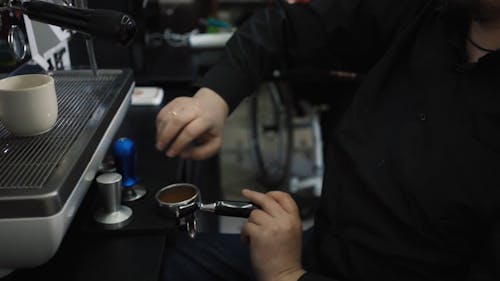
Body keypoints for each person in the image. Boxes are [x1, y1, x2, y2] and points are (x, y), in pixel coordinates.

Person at [155, 0, 500, 280]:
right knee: (153, 261)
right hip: (323, 248)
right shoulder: (431, 14)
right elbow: (287, 27)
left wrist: (286, 273)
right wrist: (213, 98)